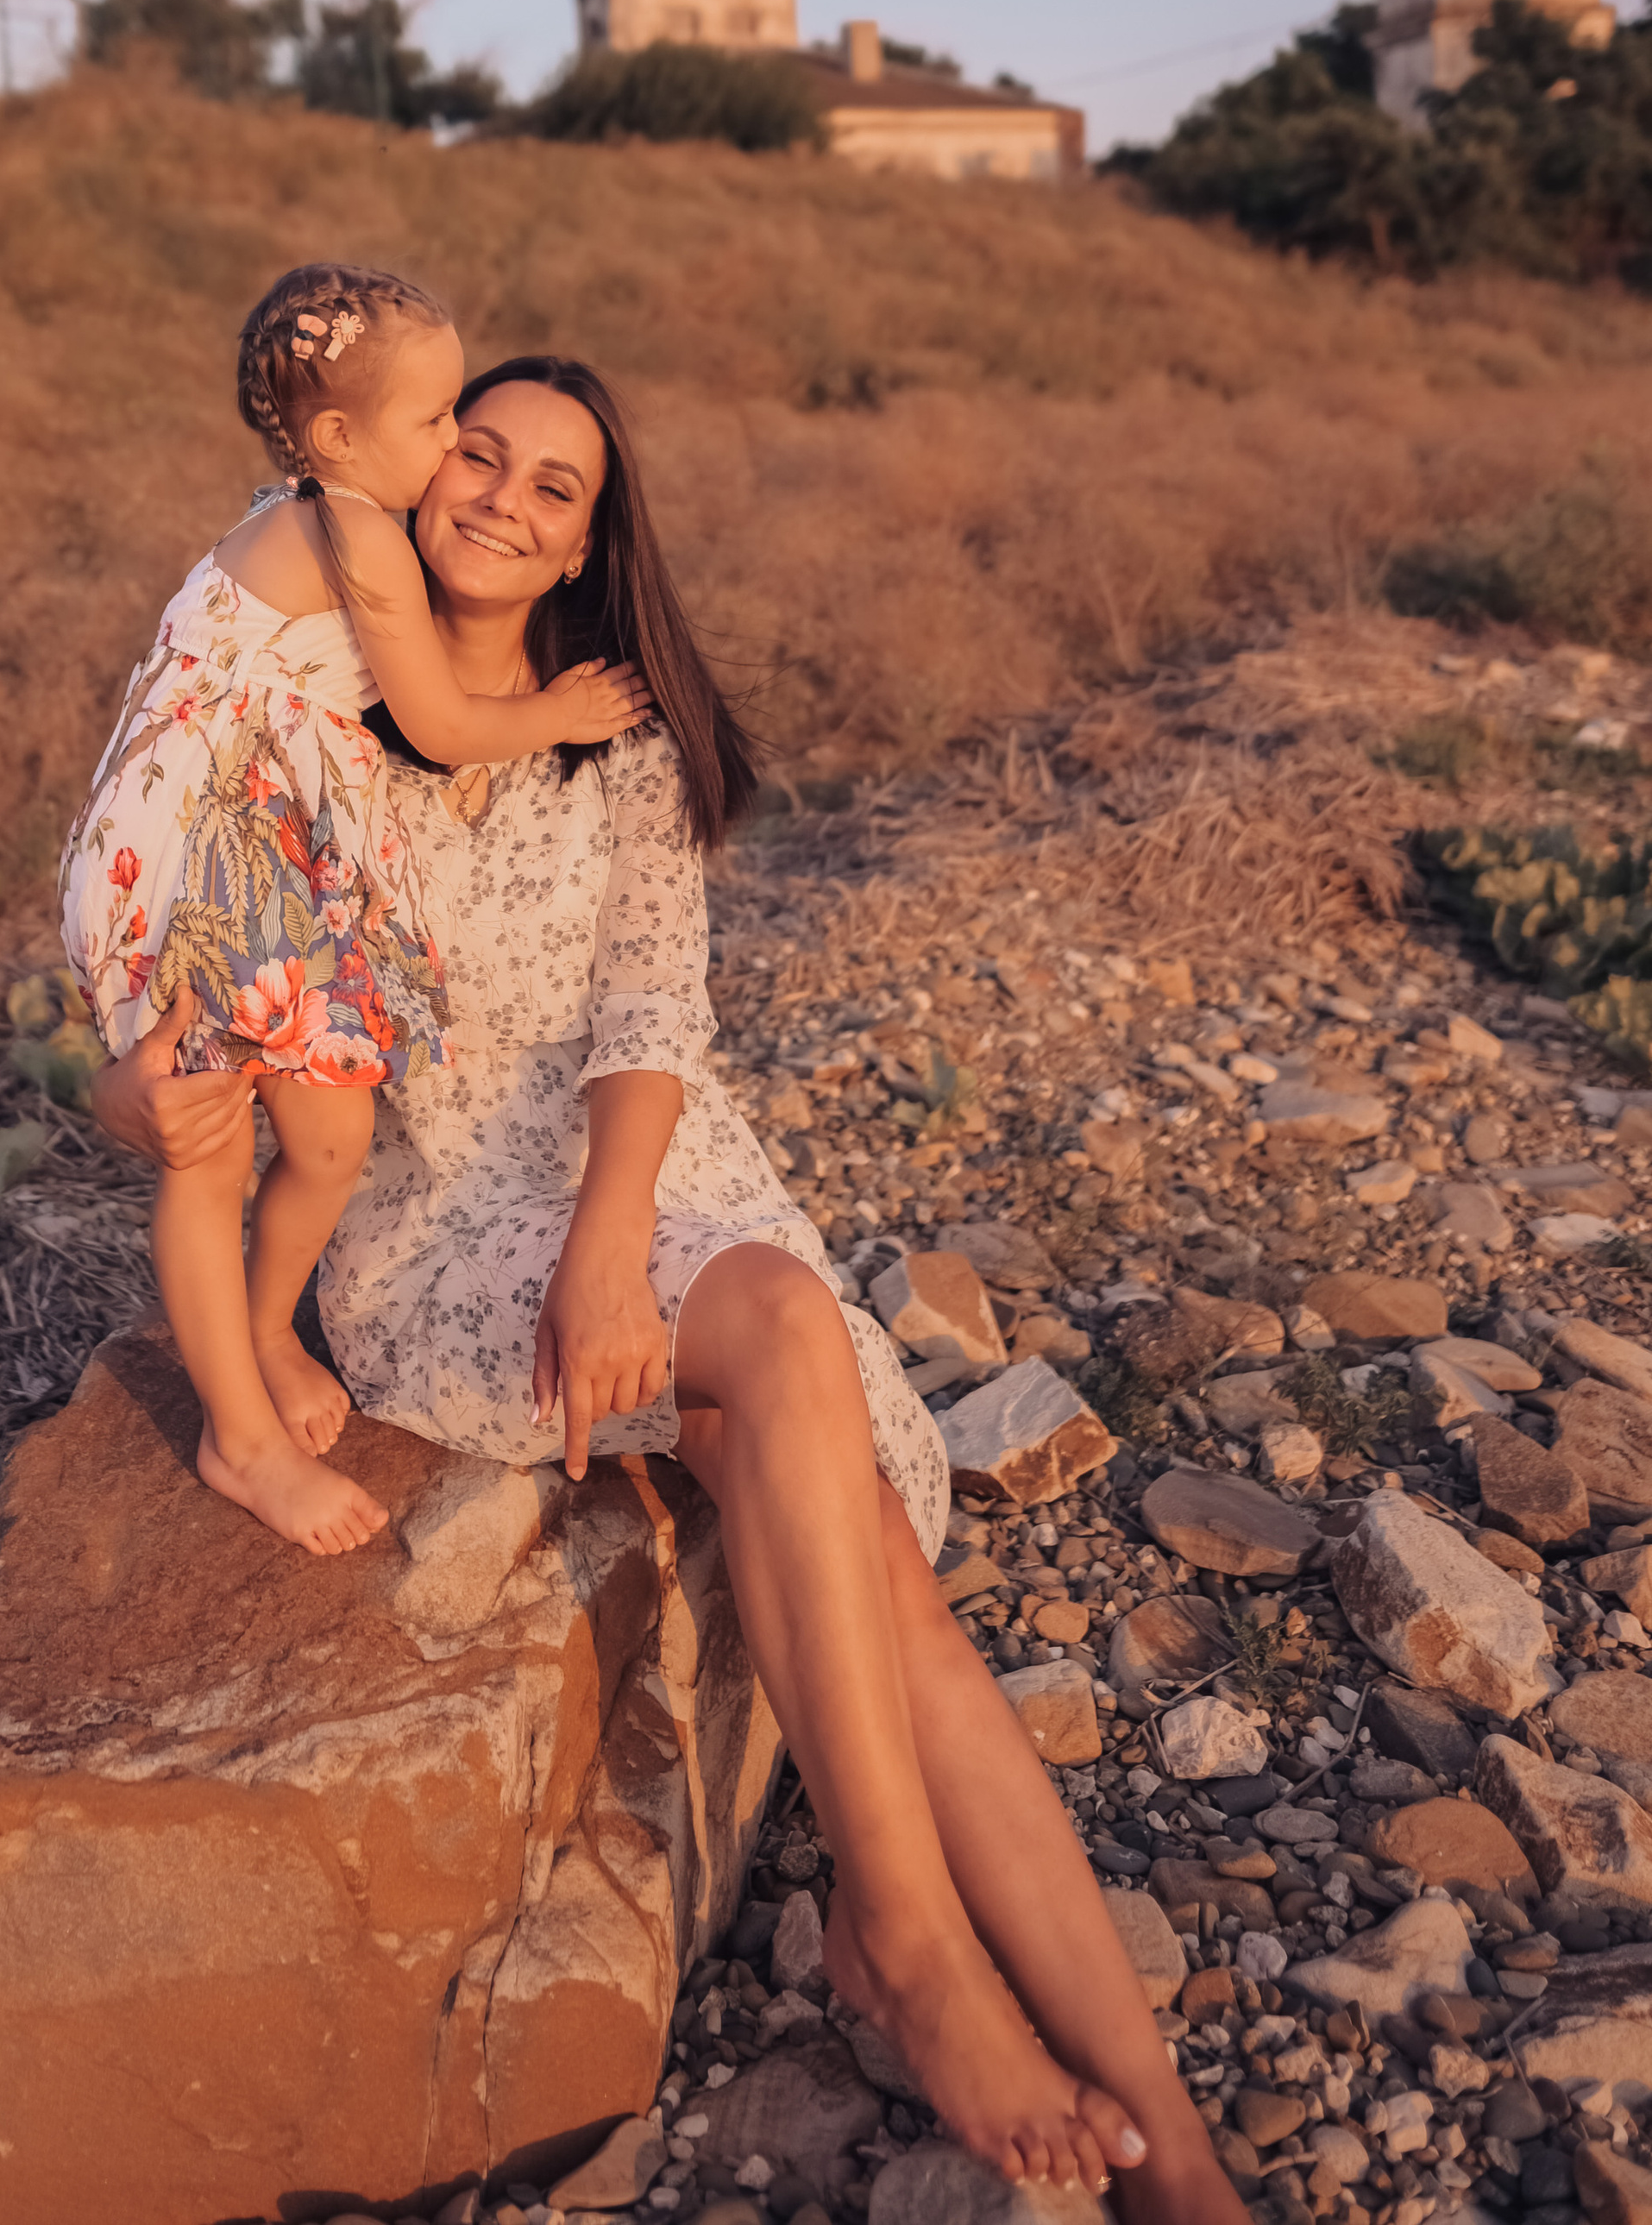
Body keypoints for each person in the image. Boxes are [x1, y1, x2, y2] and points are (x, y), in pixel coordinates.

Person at [91, 355, 1239, 2222]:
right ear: (392, 461)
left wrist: (619, 1236)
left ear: (589, 537)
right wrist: (137, 1099)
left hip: (656, 1178)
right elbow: (146, 995)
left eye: (558, 488)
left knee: (847, 1501)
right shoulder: (292, 701)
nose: (506, 500)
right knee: (805, 1399)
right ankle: (911, 1949)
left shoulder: (606, 724)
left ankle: (1165, 2146)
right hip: (438, 1225)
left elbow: (649, 1012)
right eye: (479, 450)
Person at [60, 273, 649, 1559]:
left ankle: (268, 1329)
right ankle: (240, 1438)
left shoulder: (330, 515)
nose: (452, 452)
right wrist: (558, 715)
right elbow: (438, 724)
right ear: (337, 440)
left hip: (266, 855)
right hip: (188, 860)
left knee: (328, 1128)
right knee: (211, 1148)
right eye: (443, 421)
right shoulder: (350, 529)